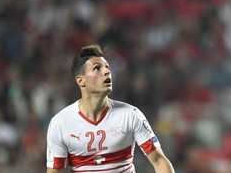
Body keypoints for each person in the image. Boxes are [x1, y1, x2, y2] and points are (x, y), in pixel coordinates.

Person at [46, 44, 175, 172]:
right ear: (81, 80)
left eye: (107, 67)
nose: (107, 71)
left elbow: (159, 160)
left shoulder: (131, 115)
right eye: (97, 68)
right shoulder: (60, 124)